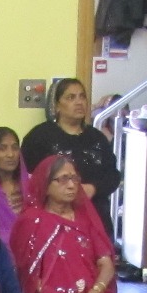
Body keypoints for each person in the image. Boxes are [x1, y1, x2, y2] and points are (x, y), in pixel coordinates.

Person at [11, 155, 131, 293]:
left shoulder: (86, 218)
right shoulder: (31, 221)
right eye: (63, 179)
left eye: (74, 178)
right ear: (46, 184)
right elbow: (25, 274)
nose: (71, 185)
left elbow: (106, 263)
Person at [22, 77, 121, 234]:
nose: (79, 102)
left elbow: (113, 176)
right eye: (71, 97)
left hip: (95, 217)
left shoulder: (97, 138)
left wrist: (93, 189)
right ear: (57, 106)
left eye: (82, 96)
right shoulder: (40, 136)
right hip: (52, 219)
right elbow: (26, 176)